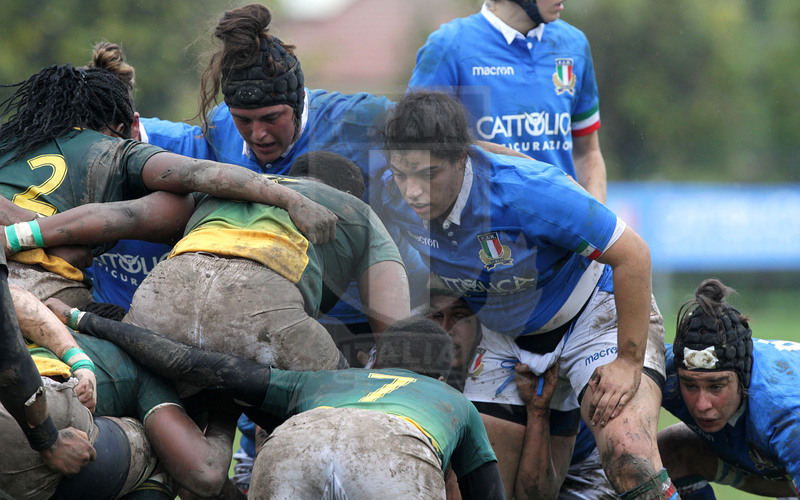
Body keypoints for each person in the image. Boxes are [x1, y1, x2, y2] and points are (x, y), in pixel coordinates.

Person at [375, 91, 673, 499]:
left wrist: (627, 360)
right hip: (504, 335)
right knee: (473, 483)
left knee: (630, 458)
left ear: (461, 159)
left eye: (427, 174)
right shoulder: (390, 191)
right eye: (401, 174)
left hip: (592, 315)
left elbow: (635, 255)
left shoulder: (529, 192)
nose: (411, 191)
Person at [43, 301, 505, 500]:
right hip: (393, 452)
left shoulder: (324, 382)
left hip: (295, 443)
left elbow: (201, 364)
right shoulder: (451, 401)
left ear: (375, 361)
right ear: (443, 375)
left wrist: (83, 318)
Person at [1, 151, 410, 374]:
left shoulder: (225, 191)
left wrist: (14, 237)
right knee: (336, 400)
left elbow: (119, 216)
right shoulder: (358, 211)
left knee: (163, 405)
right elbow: (396, 335)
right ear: (346, 194)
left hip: (164, 298)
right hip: (265, 310)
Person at [0, 61, 337, 309]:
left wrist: (23, 227)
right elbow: (203, 174)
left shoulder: (13, 143)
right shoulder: (110, 150)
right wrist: (290, 198)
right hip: (35, 295)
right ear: (127, 126)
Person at [0, 260, 237, 499]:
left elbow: (15, 299)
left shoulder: (43, 325)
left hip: (30, 415)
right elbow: (205, 474)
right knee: (164, 455)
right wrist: (226, 411)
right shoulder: (142, 368)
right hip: (34, 419)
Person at [425, 275, 616, 499]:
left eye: (460, 316)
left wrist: (538, 412)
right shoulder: (423, 370)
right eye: (437, 315)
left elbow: (537, 494)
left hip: (580, 471)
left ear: (484, 326)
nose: (446, 328)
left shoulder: (536, 368)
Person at [407, 0, 607, 202]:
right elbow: (415, 145)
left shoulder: (574, 43)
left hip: (559, 223)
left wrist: (598, 219)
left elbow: (587, 152)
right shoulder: (448, 45)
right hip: (483, 226)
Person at [659, 278, 800, 499]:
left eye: (716, 386)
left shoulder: (785, 414)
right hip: (775, 459)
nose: (702, 405)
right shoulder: (667, 373)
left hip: (790, 447)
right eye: (690, 385)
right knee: (673, 448)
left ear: (743, 379)